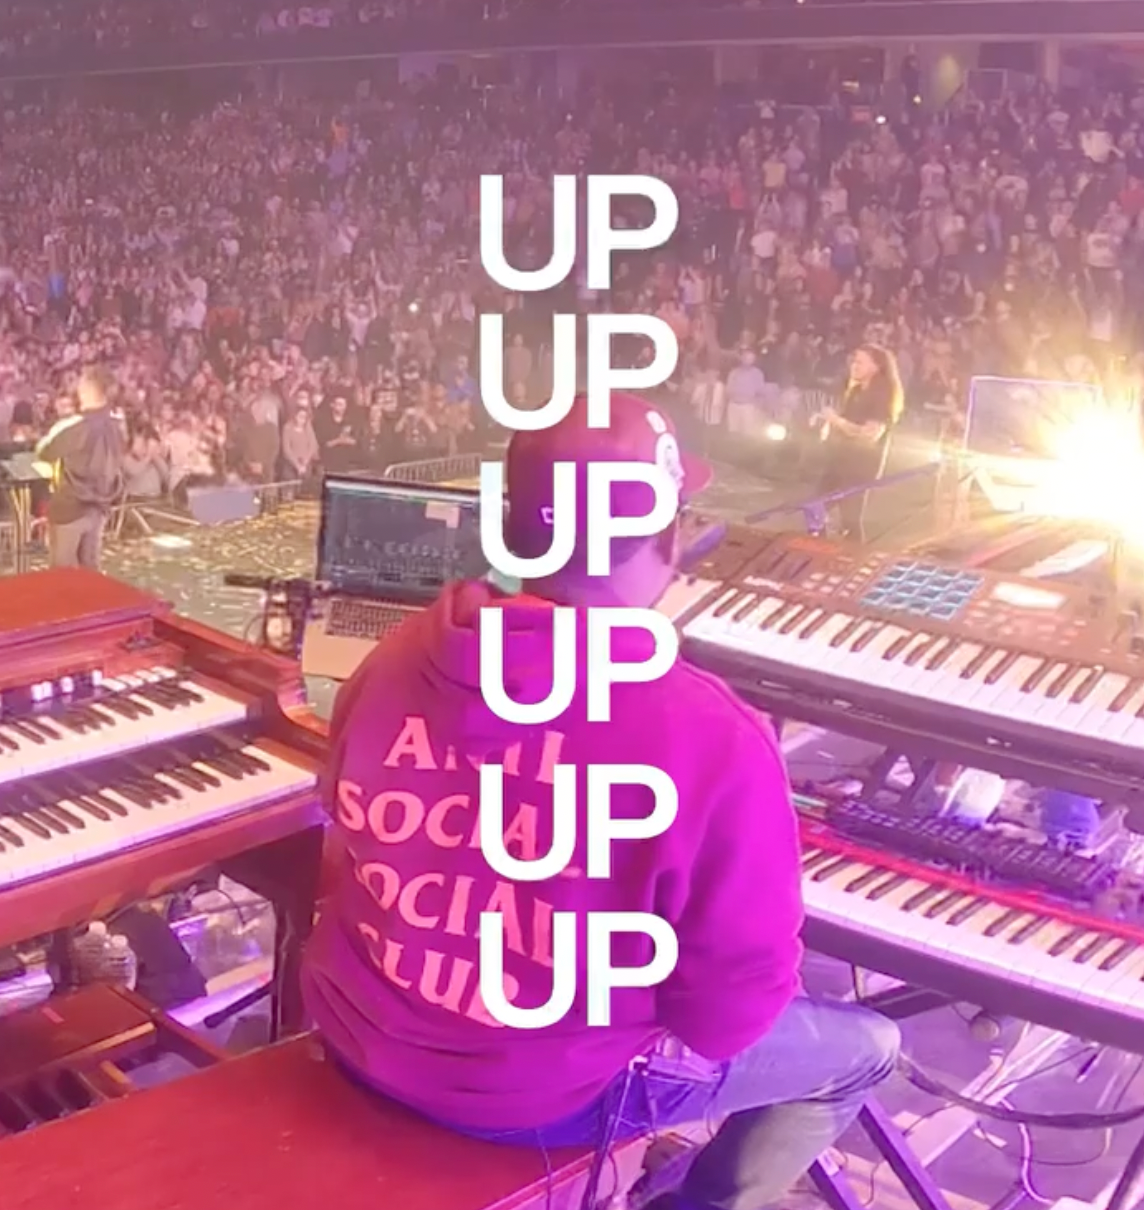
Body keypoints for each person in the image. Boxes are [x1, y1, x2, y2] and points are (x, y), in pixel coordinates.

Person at [301, 390, 900, 1210]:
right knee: (865, 1047)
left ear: (512, 529)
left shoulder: (397, 656)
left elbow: (347, 840)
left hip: (359, 1035)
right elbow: (725, 1024)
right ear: (672, 536)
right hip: (541, 1100)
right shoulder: (713, 735)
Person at [34, 365, 125, 571]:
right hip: (100, 505)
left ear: (87, 389)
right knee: (90, 568)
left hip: (70, 507)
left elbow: (44, 451)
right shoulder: (117, 424)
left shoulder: (75, 425)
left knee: (63, 572)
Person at [816, 345, 904, 543]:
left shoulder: (883, 396)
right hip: (840, 459)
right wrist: (828, 424)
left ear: (876, 367)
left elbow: (869, 435)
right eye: (854, 361)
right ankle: (818, 549)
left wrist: (836, 421)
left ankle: (853, 554)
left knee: (850, 518)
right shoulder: (855, 391)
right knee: (817, 507)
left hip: (860, 465)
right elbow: (845, 422)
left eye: (860, 362)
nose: (854, 366)